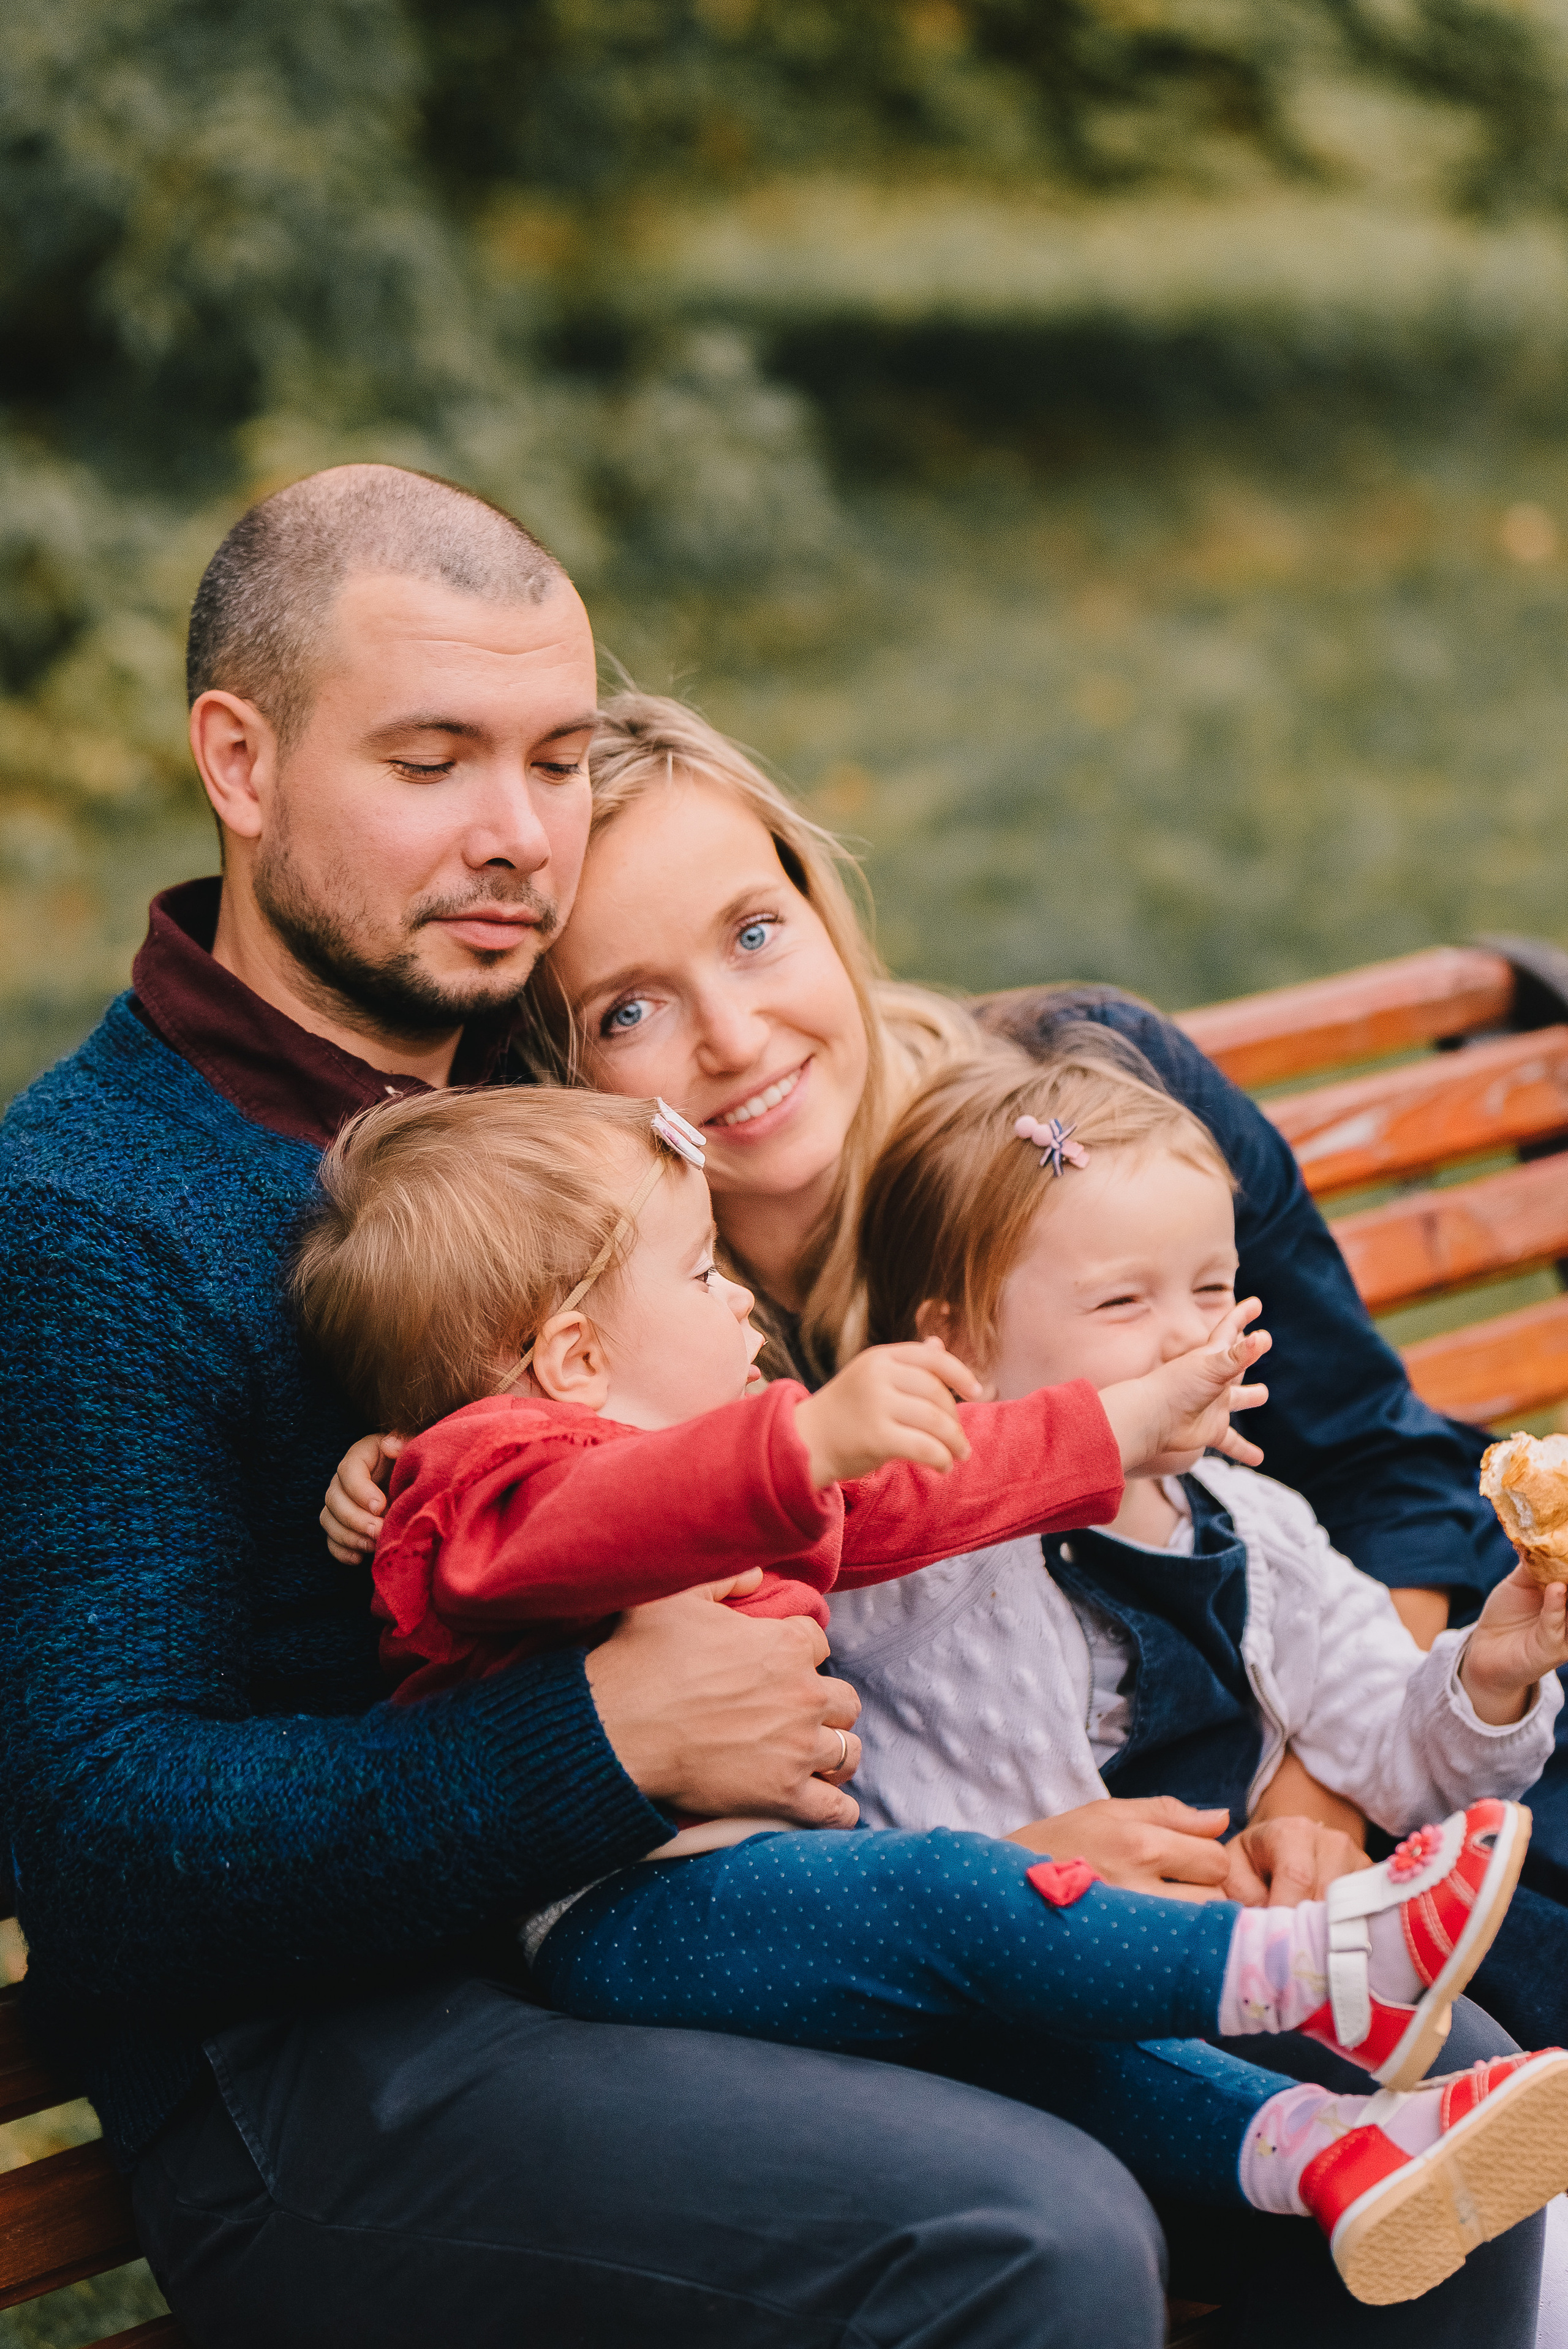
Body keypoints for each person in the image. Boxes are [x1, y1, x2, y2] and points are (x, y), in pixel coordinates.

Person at [0, 464, 1180, 2349]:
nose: (517, 837)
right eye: (432, 761)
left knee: (1324, 2060)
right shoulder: (92, 1208)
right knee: (1028, 2234)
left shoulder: (549, 1098)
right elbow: (104, 1844)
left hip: (664, 1933)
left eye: (555, 759)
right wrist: (603, 1736)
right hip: (330, 2074)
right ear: (238, 759)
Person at [298, 1081, 1567, 2308]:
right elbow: (568, 1530)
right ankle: (1306, 1971)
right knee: (955, 1893)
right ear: (574, 1355)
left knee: (1054, 2043)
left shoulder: (712, 1476)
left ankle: (1330, 2153)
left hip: (765, 1909)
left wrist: (1114, 1425)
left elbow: (937, 1495)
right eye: (699, 1276)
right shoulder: (497, 1478)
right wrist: (792, 1443)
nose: (737, 1299)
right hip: (627, 1914)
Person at [525, 689, 1566, 1895]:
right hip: (1059, 1913)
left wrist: (1318, 1793)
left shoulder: (1086, 1105)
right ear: (563, 1073)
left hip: (1401, 1715)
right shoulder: (650, 1354)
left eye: (753, 933)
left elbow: (1375, 1464)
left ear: (819, 905)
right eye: (629, 1010)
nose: (736, 1036)